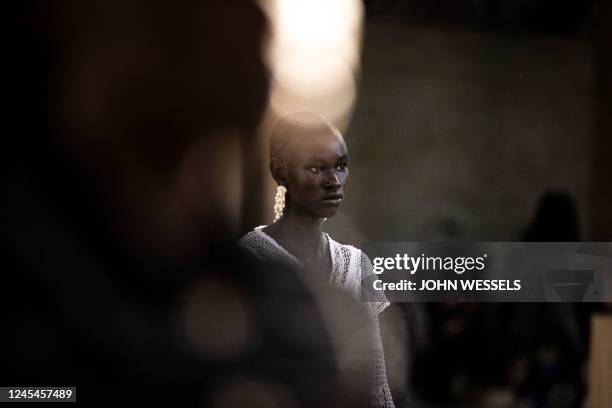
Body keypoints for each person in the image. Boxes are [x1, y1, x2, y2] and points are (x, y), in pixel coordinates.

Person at [238, 112, 395, 407]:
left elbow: (377, 382)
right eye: (316, 168)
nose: (334, 181)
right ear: (280, 172)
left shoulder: (357, 265)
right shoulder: (250, 259)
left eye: (341, 166)